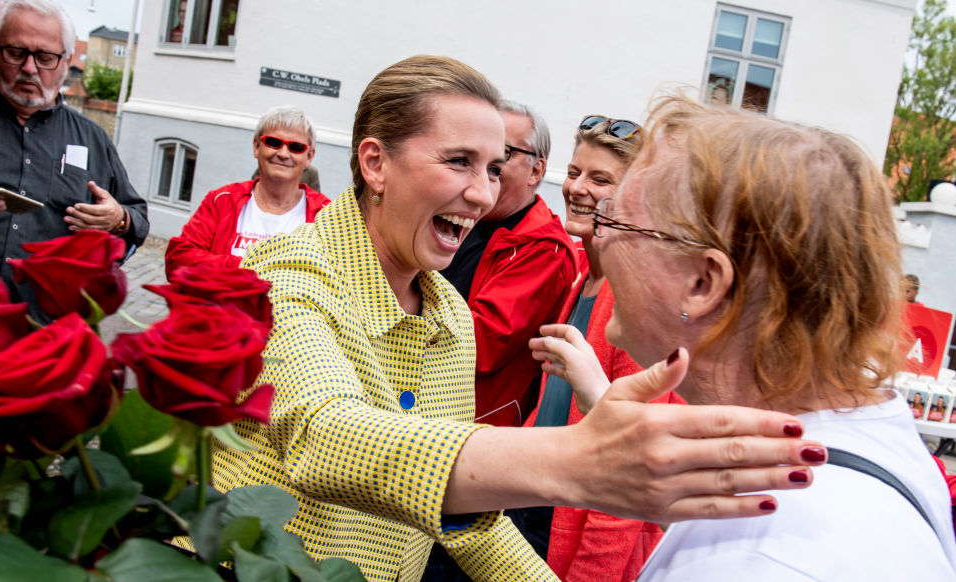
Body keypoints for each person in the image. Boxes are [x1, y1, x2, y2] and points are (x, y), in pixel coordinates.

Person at [211, 56, 827, 582]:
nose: (482, 194)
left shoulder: (448, 312)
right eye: (459, 162)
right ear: (375, 164)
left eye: (492, 168)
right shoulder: (285, 275)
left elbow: (467, 521)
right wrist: (571, 463)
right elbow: (328, 439)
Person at [532, 94, 956, 580]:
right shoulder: (860, 427)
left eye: (618, 220)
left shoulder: (756, 557)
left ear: (703, 283)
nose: (599, 238)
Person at [516, 116, 685, 581]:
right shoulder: (584, 278)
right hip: (538, 504)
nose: (578, 188)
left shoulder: (636, 296)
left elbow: (632, 469)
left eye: (600, 178)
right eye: (574, 173)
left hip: (576, 527)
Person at [0, 0, 148, 318]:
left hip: (44, 340)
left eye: (45, 57)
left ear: (65, 62)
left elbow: (137, 220)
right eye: (16, 53)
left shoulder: (92, 139)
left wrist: (119, 219)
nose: (30, 68)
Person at [439, 101, 577, 427]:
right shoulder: (466, 216)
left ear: (537, 171)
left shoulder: (545, 248)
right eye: (481, 152)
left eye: (504, 152)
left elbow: (483, 344)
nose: (491, 164)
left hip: (472, 426)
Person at [164, 105, 328, 278]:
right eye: (273, 142)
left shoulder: (325, 215)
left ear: (309, 156)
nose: (283, 153)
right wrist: (247, 267)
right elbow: (178, 260)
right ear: (257, 147)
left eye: (296, 147)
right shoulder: (222, 200)